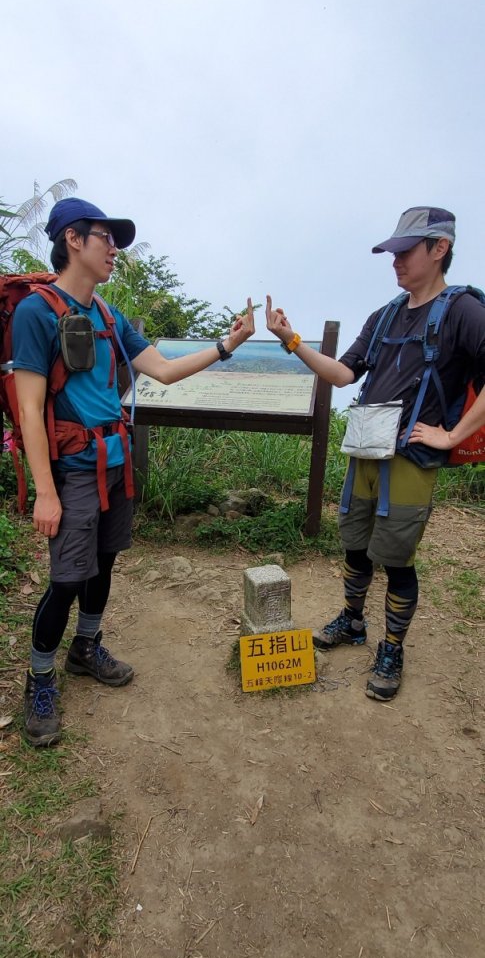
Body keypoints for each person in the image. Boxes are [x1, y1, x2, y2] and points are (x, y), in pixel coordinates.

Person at [13, 197, 255, 746]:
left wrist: (226, 344)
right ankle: (40, 677)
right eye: (105, 237)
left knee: (103, 563)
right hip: (73, 470)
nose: (114, 248)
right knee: (66, 578)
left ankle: (85, 648)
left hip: (115, 463)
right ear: (73, 240)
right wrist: (44, 493)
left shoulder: (107, 316)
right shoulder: (36, 313)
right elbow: (29, 409)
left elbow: (164, 371)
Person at [266, 206, 485, 701]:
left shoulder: (463, 311)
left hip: (409, 459)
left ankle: (392, 647)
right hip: (365, 448)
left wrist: (451, 437)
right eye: (393, 252)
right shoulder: (385, 314)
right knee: (355, 545)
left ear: (440, 248)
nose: (396, 261)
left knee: (397, 558)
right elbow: (344, 374)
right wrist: (291, 340)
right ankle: (352, 620)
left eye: (406, 251)